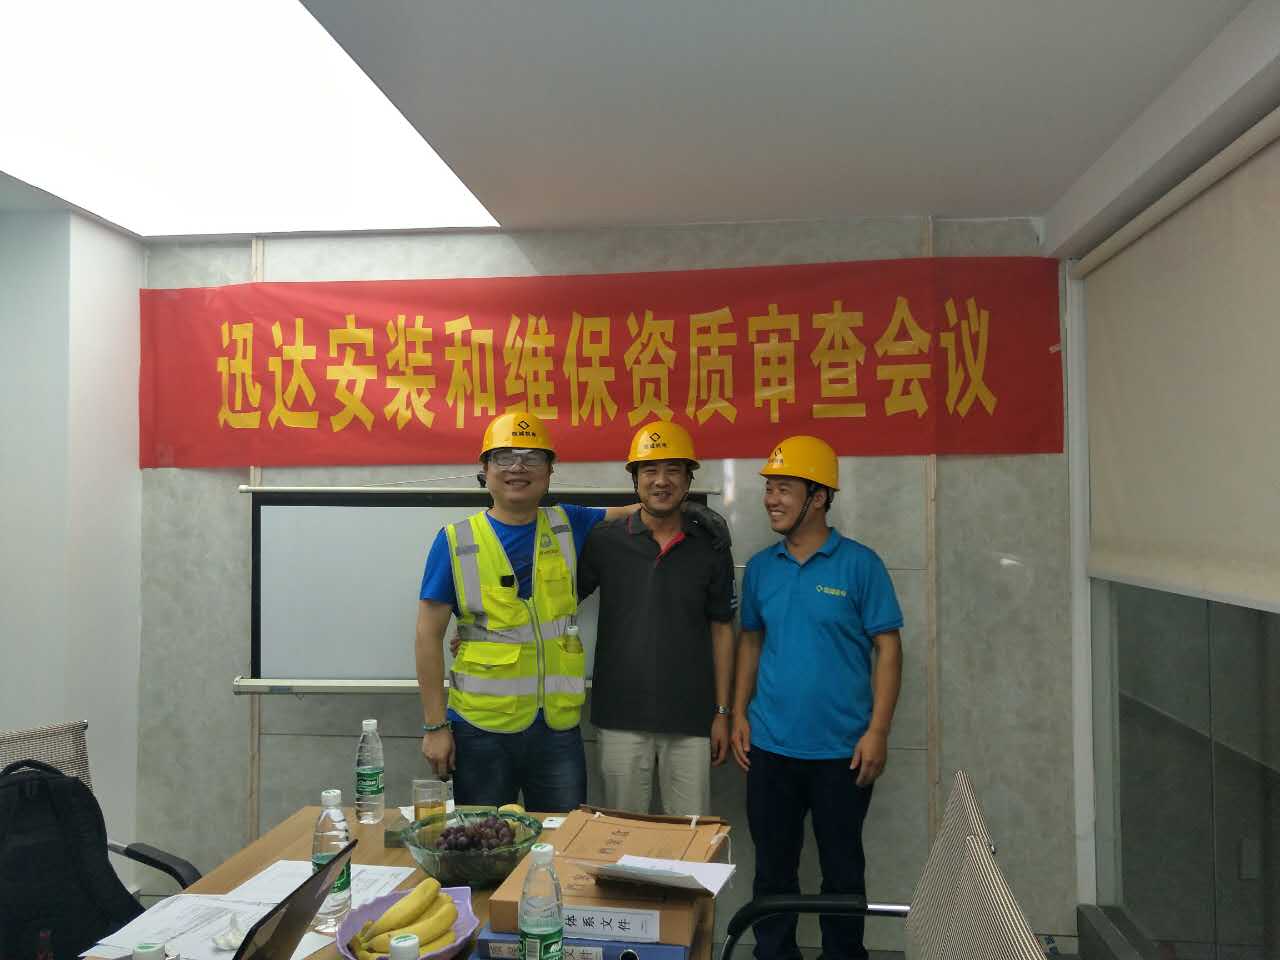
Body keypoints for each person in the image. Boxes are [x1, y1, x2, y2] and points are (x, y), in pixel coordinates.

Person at [729, 435, 903, 960]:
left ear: (819, 497)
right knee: (773, 870)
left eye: (784, 488)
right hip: (771, 747)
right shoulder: (761, 567)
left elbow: (888, 649)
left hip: (843, 752)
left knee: (842, 870)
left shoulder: (860, 565)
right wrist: (738, 713)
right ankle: (774, 955)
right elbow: (751, 641)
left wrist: (878, 732)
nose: (771, 499)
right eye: (769, 489)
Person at [414, 411, 636, 810]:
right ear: (484, 470)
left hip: (557, 730)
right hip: (480, 731)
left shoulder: (570, 523)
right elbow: (427, 636)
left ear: (550, 471)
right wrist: (434, 726)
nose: (518, 468)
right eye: (504, 457)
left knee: (560, 839)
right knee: (482, 842)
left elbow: (636, 512)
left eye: (532, 458)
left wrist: (687, 511)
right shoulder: (455, 541)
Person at [577, 421, 736, 816]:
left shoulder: (711, 546)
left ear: (688, 479)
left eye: (673, 470)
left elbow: (722, 629)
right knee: (622, 835)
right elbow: (557, 603)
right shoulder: (605, 541)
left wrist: (722, 713)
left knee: (690, 839)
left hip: (691, 718)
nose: (661, 481)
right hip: (620, 717)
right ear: (635, 479)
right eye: (650, 470)